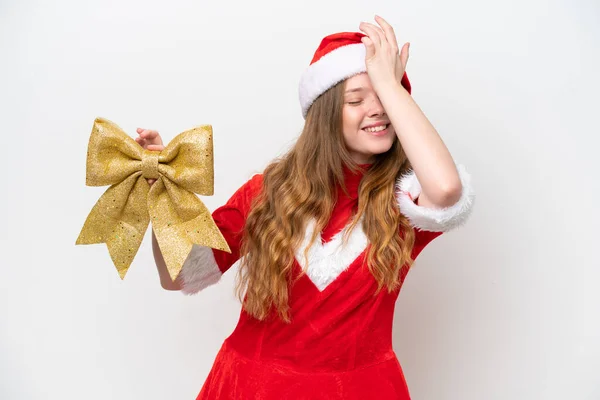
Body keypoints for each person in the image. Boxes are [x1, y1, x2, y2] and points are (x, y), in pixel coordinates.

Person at [137, 15, 474, 400]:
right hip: (252, 387)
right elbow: (179, 275)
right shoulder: (267, 192)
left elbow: (447, 190)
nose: (377, 109)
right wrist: (162, 198)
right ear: (327, 112)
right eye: (356, 99)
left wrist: (386, 81)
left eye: (386, 95)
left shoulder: (405, 200)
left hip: (360, 390)